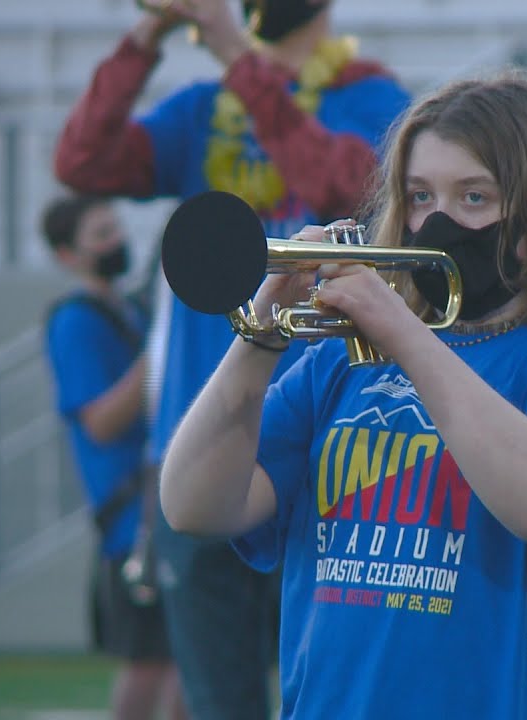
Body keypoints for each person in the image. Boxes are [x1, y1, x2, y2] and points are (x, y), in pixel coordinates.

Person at [157, 71, 527, 718]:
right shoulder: (338, 364)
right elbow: (193, 506)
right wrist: (261, 334)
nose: (437, 221)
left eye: (474, 197)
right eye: (420, 196)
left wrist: (404, 334)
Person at [53, 1, 410, 715]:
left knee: (333, 687)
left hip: (322, 442)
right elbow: (83, 160)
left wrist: (233, 53)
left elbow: (342, 185)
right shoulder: (201, 109)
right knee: (218, 701)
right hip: (202, 438)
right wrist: (146, 35)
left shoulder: (370, 97)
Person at [42, 195, 188, 720]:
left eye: (115, 228)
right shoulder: (75, 322)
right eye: (100, 235)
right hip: (133, 525)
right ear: (67, 255)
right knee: (150, 663)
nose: (116, 242)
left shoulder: (129, 309)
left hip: (157, 509)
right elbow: (101, 422)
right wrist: (163, 348)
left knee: (183, 660)